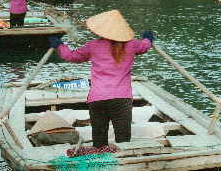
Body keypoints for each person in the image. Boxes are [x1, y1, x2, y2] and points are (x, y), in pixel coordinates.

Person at [49, 10, 153, 149]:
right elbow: (145, 46)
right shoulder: (132, 45)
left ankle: (100, 165)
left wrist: (60, 46)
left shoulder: (93, 45)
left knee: (99, 142)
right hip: (121, 100)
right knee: (123, 142)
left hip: (98, 99)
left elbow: (72, 56)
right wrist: (147, 39)